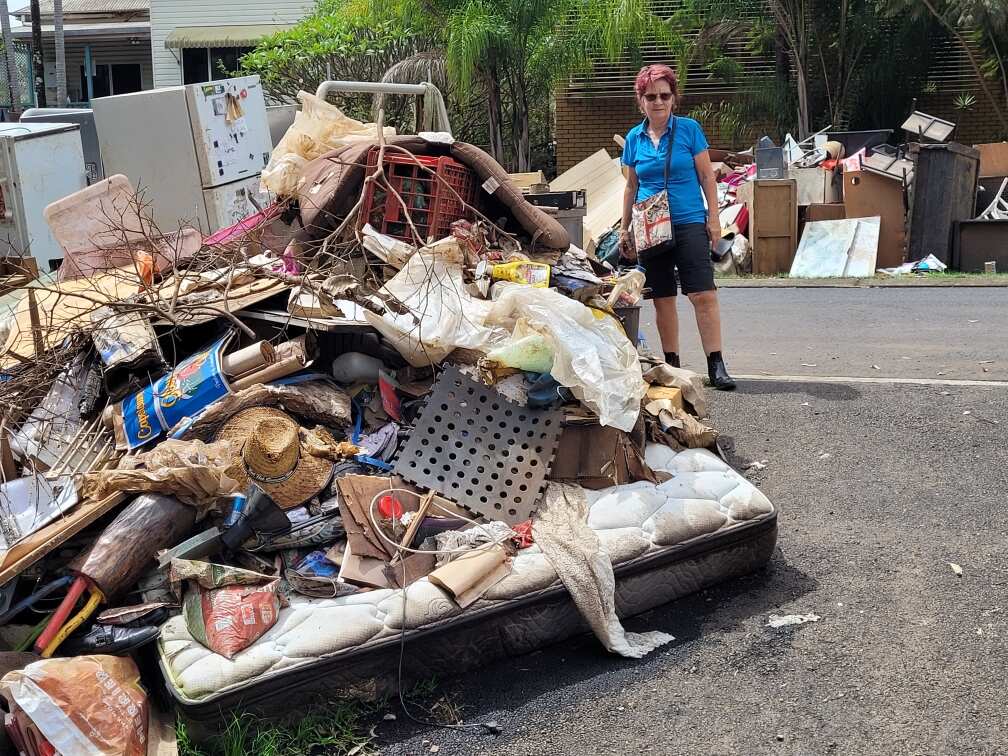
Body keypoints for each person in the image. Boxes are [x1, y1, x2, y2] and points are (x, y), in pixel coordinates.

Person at [619, 64, 736, 390]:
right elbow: (631, 186)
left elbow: (707, 177)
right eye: (650, 96)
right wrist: (625, 229)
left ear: (674, 98)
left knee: (702, 293)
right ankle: (673, 365)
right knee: (662, 298)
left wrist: (714, 219)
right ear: (641, 101)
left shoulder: (689, 130)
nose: (658, 102)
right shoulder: (634, 138)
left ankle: (716, 365)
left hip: (688, 221)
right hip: (650, 228)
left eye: (664, 95)